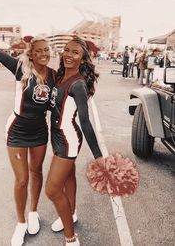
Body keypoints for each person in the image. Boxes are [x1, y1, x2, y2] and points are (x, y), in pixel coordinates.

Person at [0, 24, 56, 246]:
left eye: (47, 50)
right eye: (39, 51)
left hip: (39, 131)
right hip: (17, 130)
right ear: (32, 53)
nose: (44, 54)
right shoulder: (20, 68)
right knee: (21, 179)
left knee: (36, 172)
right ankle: (20, 223)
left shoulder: (55, 75)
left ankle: (34, 212)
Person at [45, 37, 102, 246]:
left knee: (52, 190)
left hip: (67, 140)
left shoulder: (77, 84)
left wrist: (99, 158)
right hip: (57, 137)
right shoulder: (60, 76)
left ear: (83, 59)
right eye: (67, 50)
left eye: (75, 52)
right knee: (68, 177)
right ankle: (72, 213)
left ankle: (70, 239)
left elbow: (86, 123)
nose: (69, 55)